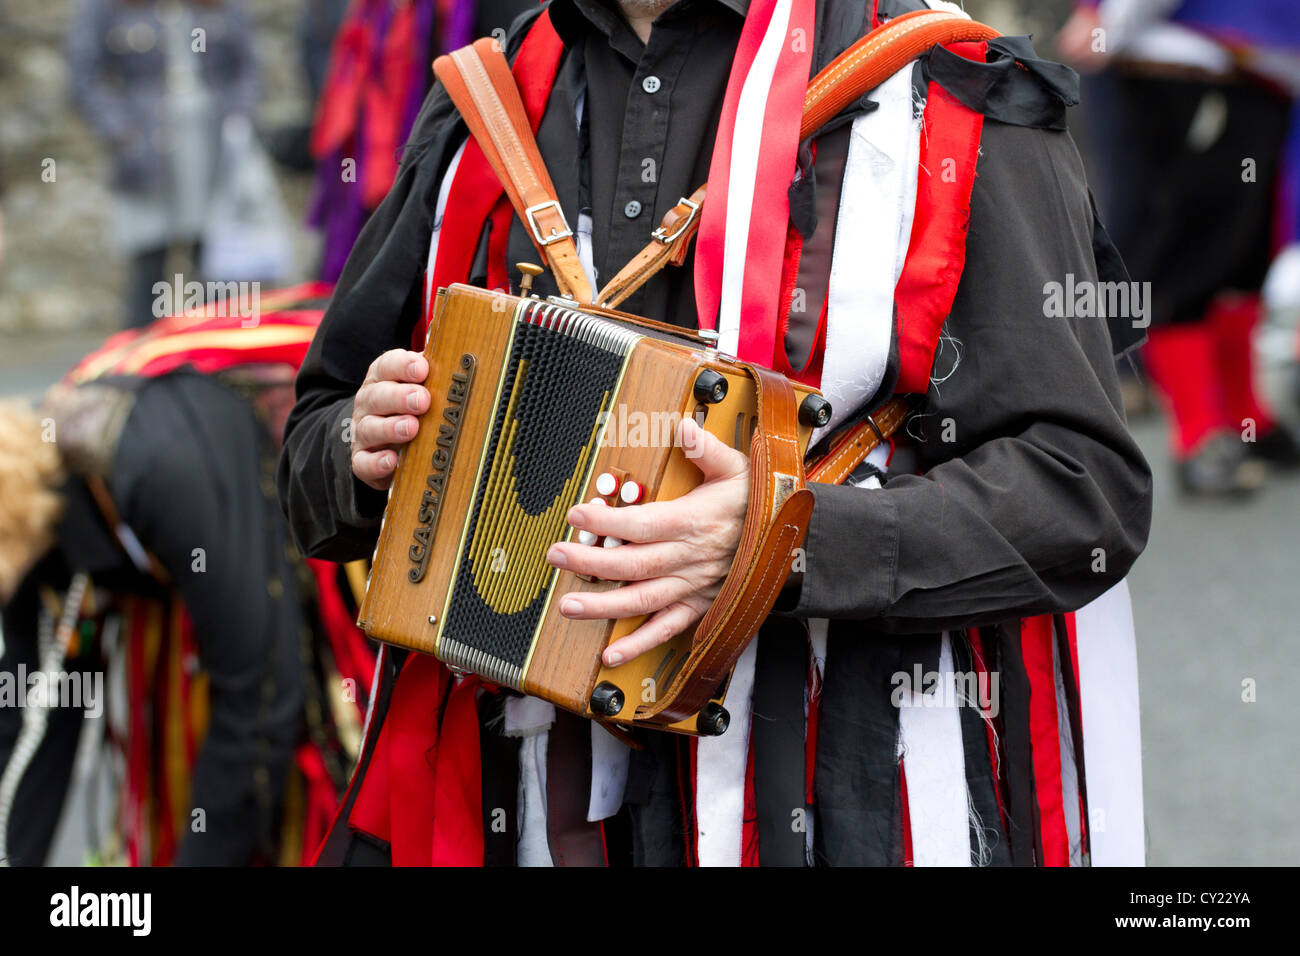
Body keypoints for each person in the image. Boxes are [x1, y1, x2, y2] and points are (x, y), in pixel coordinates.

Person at [280, 0, 1154, 866]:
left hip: (838, 793)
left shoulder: (945, 92)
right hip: (515, 795)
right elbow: (314, 446)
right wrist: (366, 454)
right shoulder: (488, 96)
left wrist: (783, 545)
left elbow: (1085, 494)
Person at [0, 284, 374, 866]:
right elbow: (32, 717)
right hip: (207, 516)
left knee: (300, 760)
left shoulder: (157, 468)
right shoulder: (40, 525)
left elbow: (261, 696)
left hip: (324, 509)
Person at [1059, 0, 1300, 495]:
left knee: (1243, 256)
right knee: (1193, 250)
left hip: (1254, 71)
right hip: (1191, 63)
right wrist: (1110, 20)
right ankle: (1198, 437)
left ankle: (1245, 418)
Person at [67, 0, 260, 327]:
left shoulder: (220, 7)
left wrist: (238, 117)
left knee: (215, 259)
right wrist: (119, 130)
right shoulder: (107, 7)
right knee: (149, 257)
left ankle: (212, 354)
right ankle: (142, 360)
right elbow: (83, 76)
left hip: (211, 144)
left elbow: (247, 67)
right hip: (144, 146)